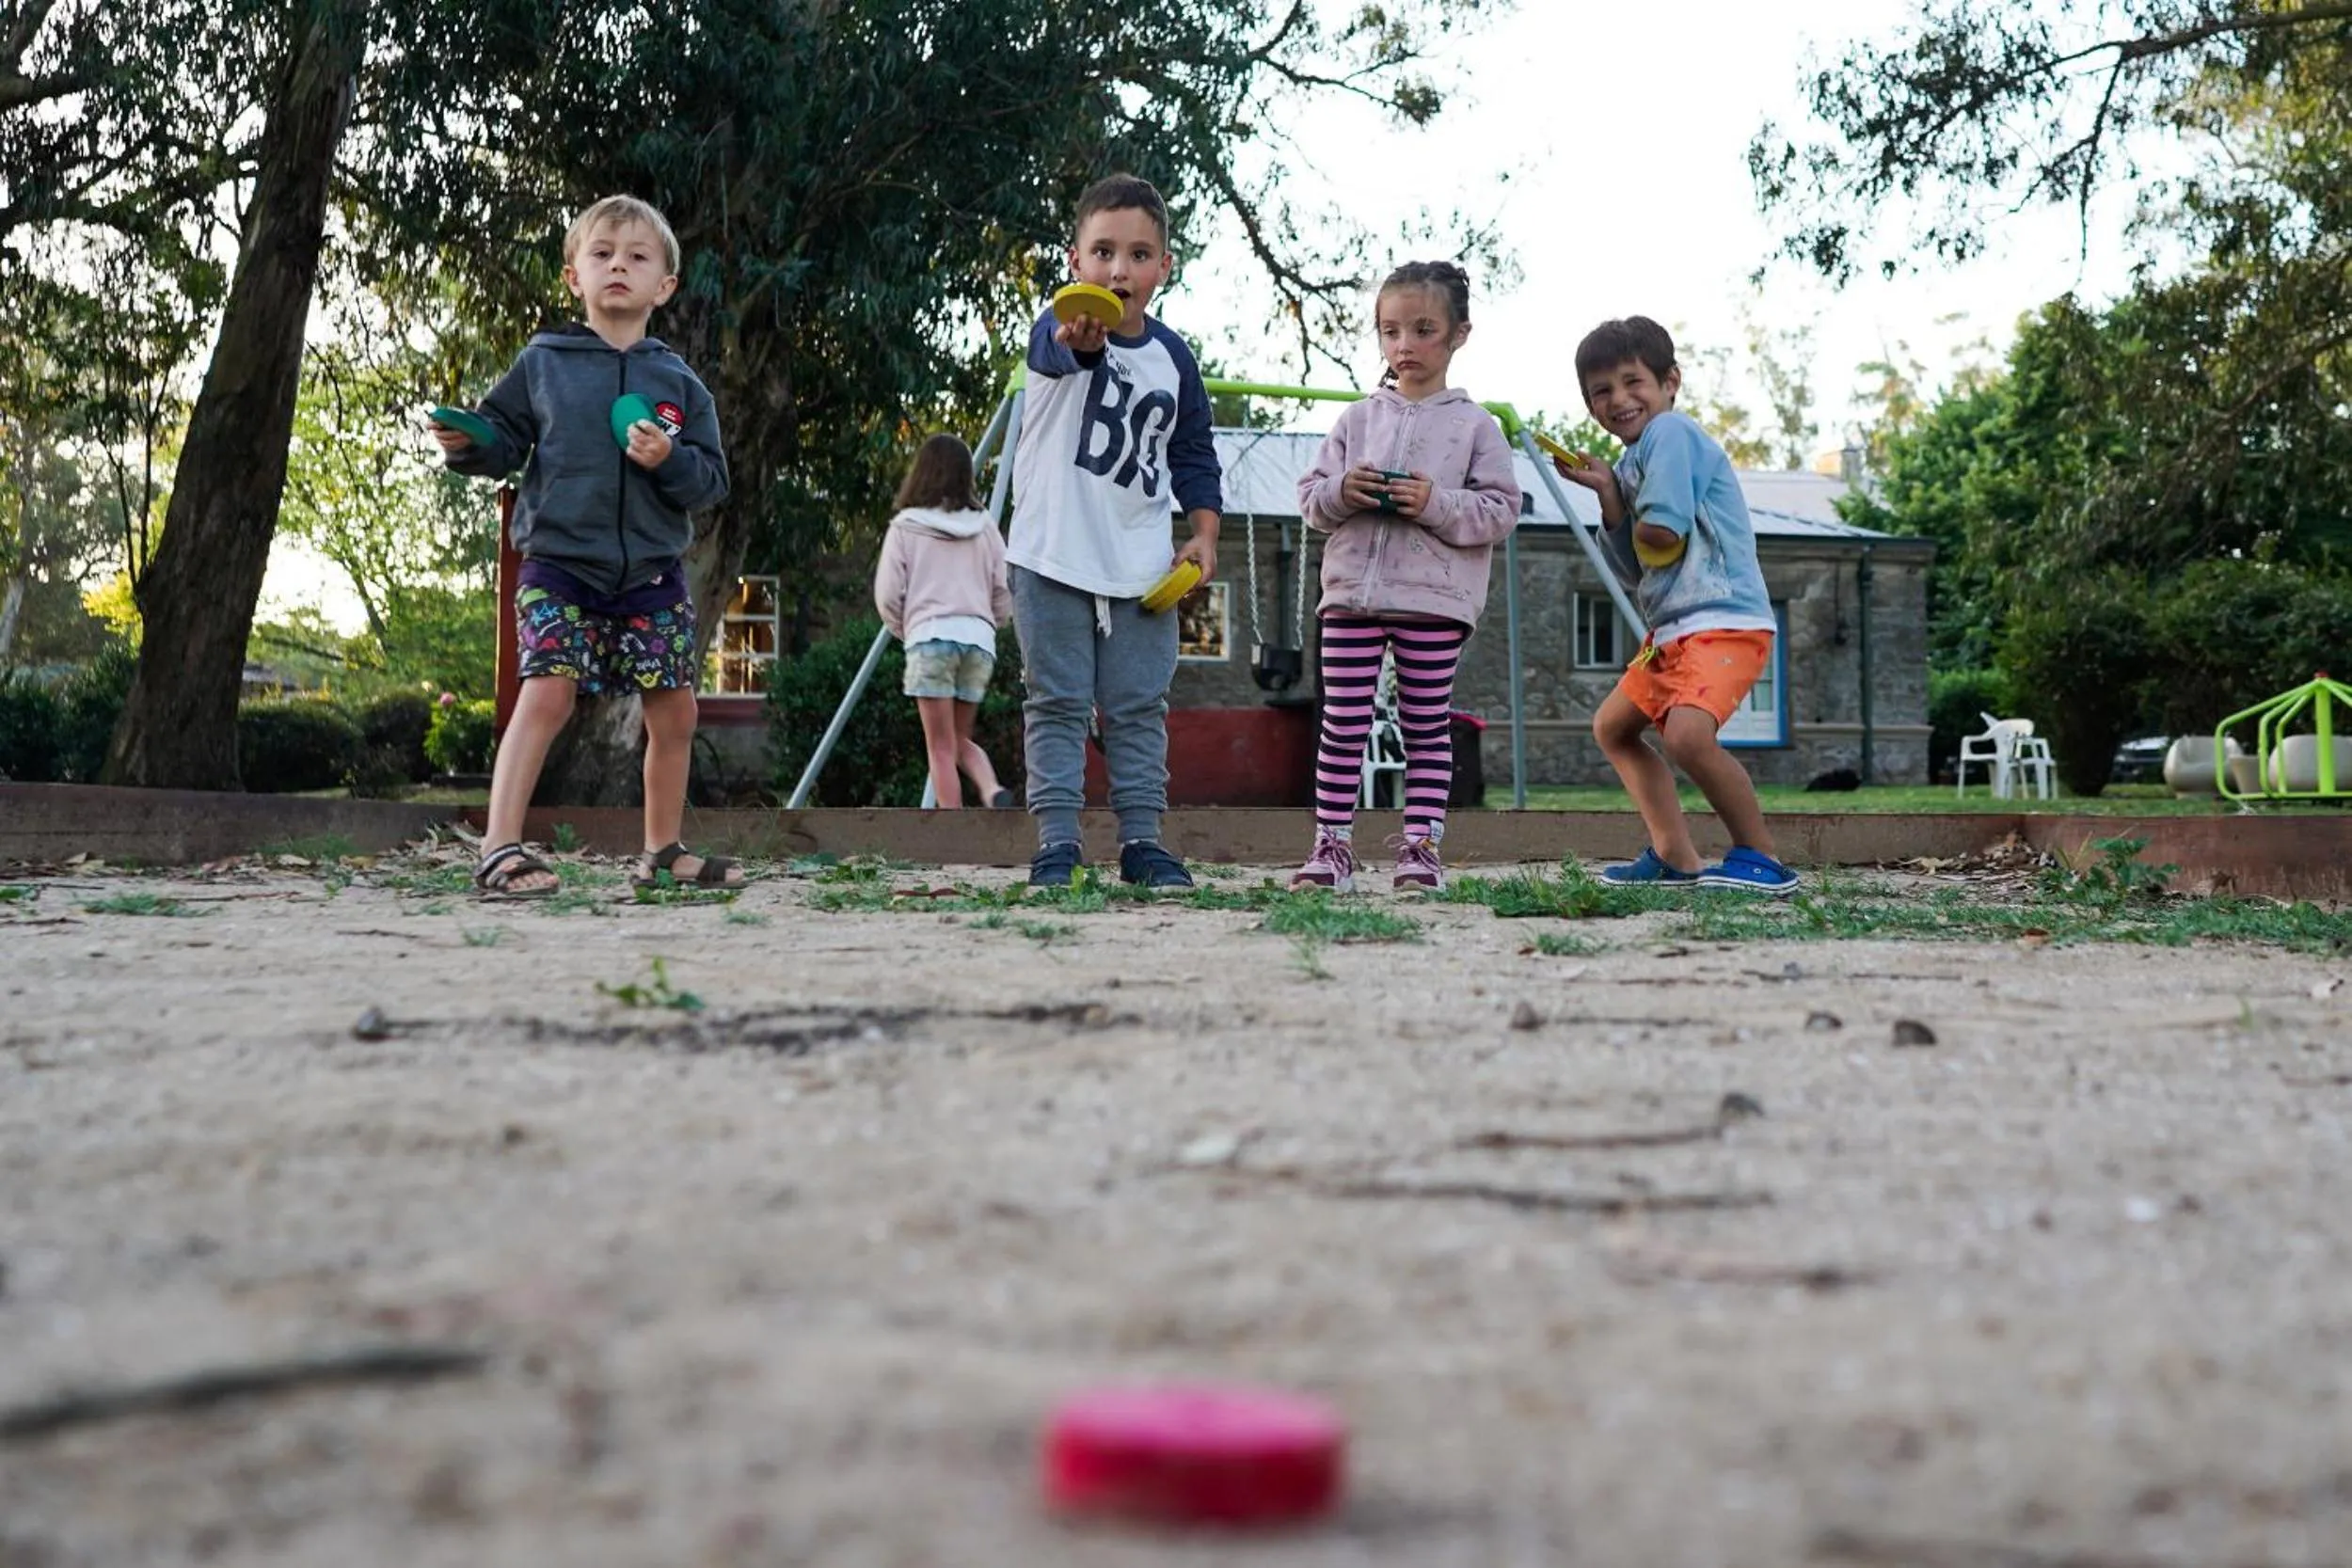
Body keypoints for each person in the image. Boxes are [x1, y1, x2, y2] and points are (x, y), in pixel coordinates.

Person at [430, 195, 739, 898]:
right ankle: (500, 847)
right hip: (559, 564)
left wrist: (669, 459)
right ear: (575, 277)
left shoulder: (681, 385)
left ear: (664, 285)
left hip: (652, 573)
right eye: (602, 255)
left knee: (676, 710)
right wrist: (468, 444)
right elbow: (501, 437)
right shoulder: (545, 361)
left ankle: (663, 852)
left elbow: (710, 483)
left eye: (637, 257)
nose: (618, 267)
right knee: (548, 694)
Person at [1007, 173, 1224, 888]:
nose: (1118, 270)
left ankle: (1142, 841)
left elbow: (1192, 452)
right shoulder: (1056, 328)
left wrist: (1204, 533)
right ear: (1075, 261)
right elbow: (1062, 352)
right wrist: (1084, 340)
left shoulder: (1174, 359)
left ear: (1164, 267)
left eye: (1138, 255)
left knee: (1137, 706)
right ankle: (1057, 844)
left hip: (1138, 565)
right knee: (1058, 701)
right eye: (1102, 252)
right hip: (1052, 555)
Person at [1291, 261, 1522, 894]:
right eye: (1390, 331)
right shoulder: (1356, 421)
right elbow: (1311, 500)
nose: (1404, 346)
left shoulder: (1478, 427)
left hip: (1434, 602)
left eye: (1423, 329)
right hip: (1351, 599)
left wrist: (1436, 502)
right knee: (1342, 722)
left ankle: (1420, 850)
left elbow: (1502, 510)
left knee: (1425, 725)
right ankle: (1331, 846)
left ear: (1458, 335)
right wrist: (1344, 491)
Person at [1551, 316, 1799, 895]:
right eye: (1601, 392)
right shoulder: (1632, 462)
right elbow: (1637, 568)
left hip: (1724, 619)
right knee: (1613, 728)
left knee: (1688, 737)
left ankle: (1762, 856)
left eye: (1632, 381)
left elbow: (1662, 535)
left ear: (1670, 382)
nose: (1619, 399)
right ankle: (1674, 855)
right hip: (1671, 632)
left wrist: (1652, 519)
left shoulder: (1672, 434)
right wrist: (1610, 494)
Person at [873, 433, 1015, 809]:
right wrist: (991, 625)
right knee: (958, 740)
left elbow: (888, 593)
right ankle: (991, 789)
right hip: (979, 643)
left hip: (930, 637)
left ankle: (953, 831)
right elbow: (1004, 588)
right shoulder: (984, 526)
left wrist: (907, 630)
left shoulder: (905, 526)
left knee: (939, 747)